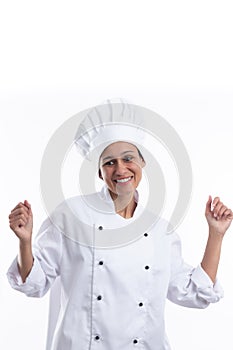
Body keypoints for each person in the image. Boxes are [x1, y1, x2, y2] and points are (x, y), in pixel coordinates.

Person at [7, 103, 233, 350]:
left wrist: (216, 234)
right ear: (100, 173)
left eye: (128, 159)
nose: (120, 169)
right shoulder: (71, 215)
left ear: (142, 163)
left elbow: (194, 292)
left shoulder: (160, 229)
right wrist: (25, 241)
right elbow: (34, 283)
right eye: (109, 163)